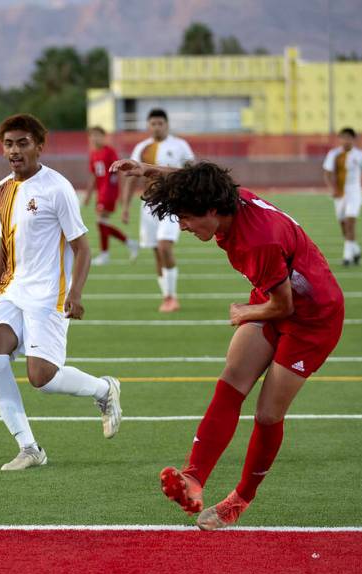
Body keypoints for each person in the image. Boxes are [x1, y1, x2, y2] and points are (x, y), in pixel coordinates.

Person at [111, 159, 344, 530]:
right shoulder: (228, 201)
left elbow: (283, 306)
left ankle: (240, 499)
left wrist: (244, 313)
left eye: (187, 218)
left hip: (312, 318)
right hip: (275, 296)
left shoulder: (258, 241)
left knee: (267, 414)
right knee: (232, 379)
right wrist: (150, 169)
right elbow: (203, 180)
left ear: (213, 211)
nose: (183, 226)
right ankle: (193, 477)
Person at [0, 113, 122, 471]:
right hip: (10, 289)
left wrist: (76, 293)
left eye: (23, 143)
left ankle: (104, 390)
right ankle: (29, 448)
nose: (15, 150)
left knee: (42, 379)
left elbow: (83, 247)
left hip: (48, 295)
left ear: (39, 147)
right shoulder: (1, 190)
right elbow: (3, 247)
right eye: (9, 144)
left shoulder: (57, 188)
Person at [119, 108, 194, 312]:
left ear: (167, 125)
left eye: (160, 123)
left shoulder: (180, 145)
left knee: (164, 246)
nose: (157, 127)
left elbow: (192, 172)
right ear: (148, 125)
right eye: (153, 123)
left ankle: (171, 297)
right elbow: (130, 176)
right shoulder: (142, 148)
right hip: (148, 206)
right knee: (156, 252)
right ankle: (167, 296)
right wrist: (125, 206)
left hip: (172, 204)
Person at [83, 126, 138, 265]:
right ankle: (129, 243)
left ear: (104, 136)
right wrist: (89, 194)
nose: (95, 138)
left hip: (109, 191)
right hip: (101, 192)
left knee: (101, 221)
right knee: (102, 223)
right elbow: (94, 175)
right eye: (92, 135)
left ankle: (105, 254)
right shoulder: (93, 154)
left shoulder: (109, 151)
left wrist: (121, 193)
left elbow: (120, 170)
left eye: (98, 135)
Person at [322, 127, 362, 266]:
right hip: (340, 194)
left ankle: (347, 257)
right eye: (343, 137)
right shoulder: (334, 154)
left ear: (353, 139)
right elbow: (327, 173)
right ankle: (355, 250)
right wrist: (331, 188)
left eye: (348, 137)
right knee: (343, 226)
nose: (345, 140)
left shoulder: (360, 155)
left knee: (350, 222)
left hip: (355, 192)